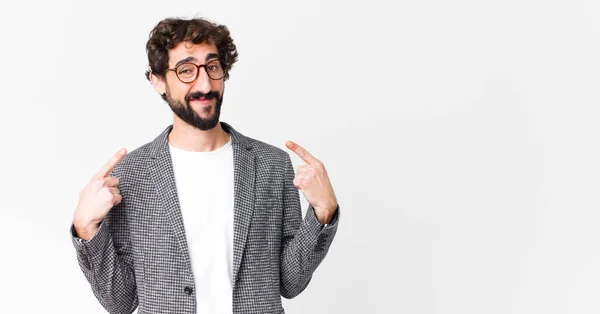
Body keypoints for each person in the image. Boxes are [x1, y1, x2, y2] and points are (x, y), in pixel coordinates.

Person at [70, 16, 340, 314]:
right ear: (158, 81)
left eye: (212, 67)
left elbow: (290, 282)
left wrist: (322, 214)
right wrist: (86, 228)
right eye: (186, 70)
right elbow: (119, 302)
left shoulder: (272, 165)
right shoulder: (131, 175)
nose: (205, 83)